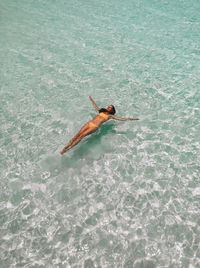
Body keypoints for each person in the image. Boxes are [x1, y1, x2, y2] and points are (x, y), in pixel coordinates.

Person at [60, 96, 139, 154]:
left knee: (81, 136)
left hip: (95, 126)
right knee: (77, 135)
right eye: (108, 106)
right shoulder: (101, 111)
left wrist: (131, 118)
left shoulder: (110, 116)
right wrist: (91, 100)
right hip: (89, 123)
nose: (108, 107)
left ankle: (67, 149)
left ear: (112, 110)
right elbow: (95, 106)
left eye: (110, 107)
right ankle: (66, 147)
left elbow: (121, 118)